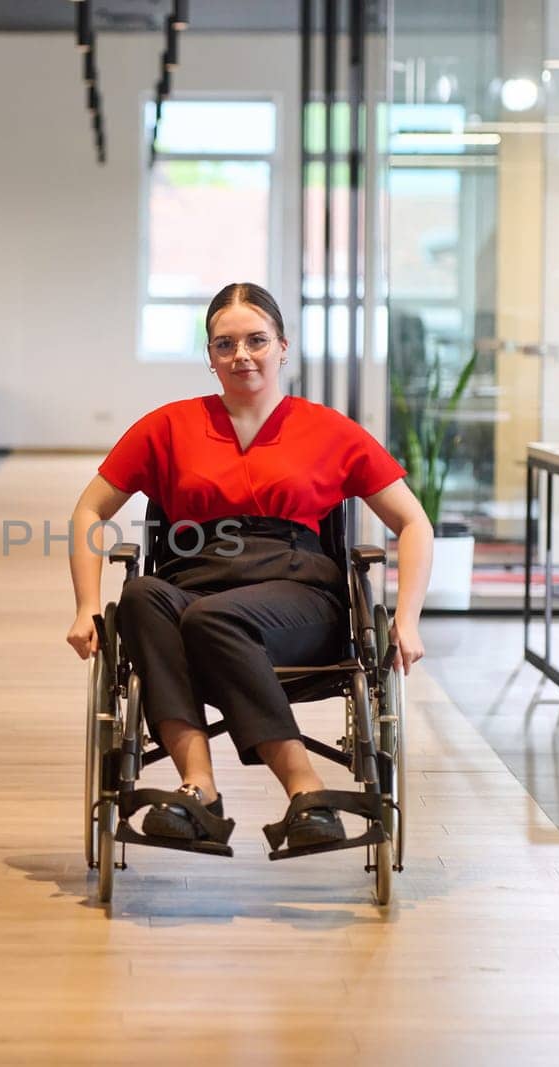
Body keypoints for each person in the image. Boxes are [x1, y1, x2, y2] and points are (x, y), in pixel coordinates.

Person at [64, 282, 434, 848]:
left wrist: (406, 619)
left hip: (298, 593)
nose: (242, 355)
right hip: (195, 578)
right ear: (210, 357)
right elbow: (90, 507)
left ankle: (305, 789)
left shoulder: (329, 430)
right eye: (225, 344)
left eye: (256, 340)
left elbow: (414, 523)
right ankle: (199, 788)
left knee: (211, 619)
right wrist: (88, 604)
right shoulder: (167, 427)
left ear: (283, 346)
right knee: (141, 598)